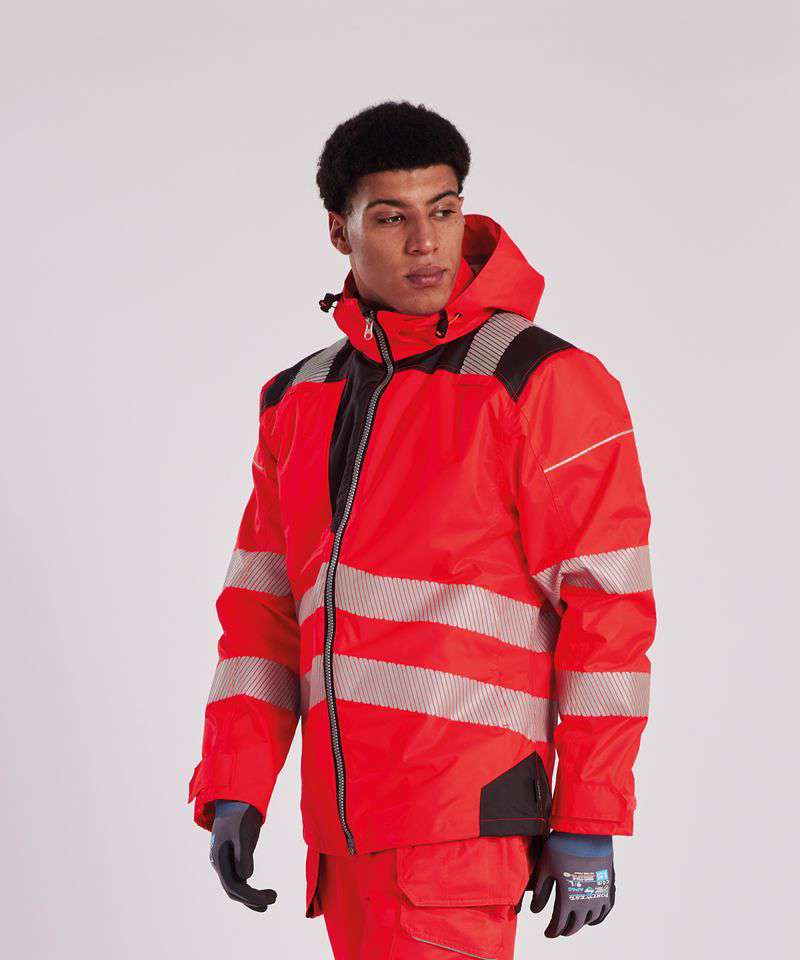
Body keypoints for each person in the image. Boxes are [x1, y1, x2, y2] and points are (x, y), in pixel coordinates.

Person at [188, 100, 656, 957]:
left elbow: (608, 612)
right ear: (340, 231)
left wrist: (591, 818)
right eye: (390, 218)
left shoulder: (541, 381)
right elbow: (263, 614)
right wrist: (236, 782)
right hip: (342, 837)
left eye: (442, 210)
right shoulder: (299, 398)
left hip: (463, 827)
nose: (425, 243)